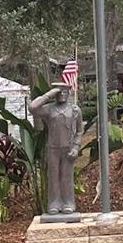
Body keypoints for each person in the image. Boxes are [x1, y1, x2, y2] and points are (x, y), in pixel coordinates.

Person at [29, 83, 84, 214]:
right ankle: (54, 203)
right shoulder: (49, 109)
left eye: (65, 91)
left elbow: (80, 131)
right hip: (53, 148)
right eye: (59, 92)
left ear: (69, 93)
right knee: (53, 176)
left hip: (68, 148)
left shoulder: (75, 110)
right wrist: (49, 94)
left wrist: (76, 147)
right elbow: (32, 108)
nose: (62, 94)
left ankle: (68, 202)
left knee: (66, 176)